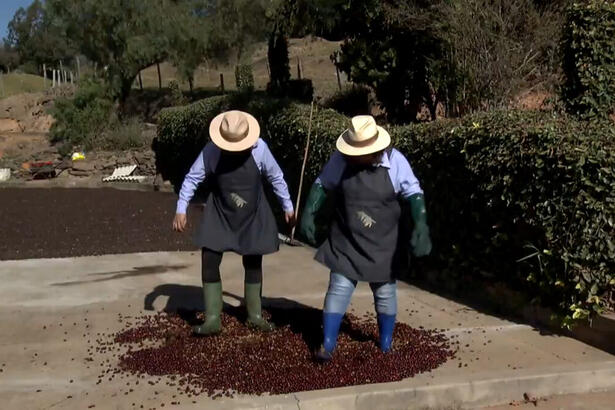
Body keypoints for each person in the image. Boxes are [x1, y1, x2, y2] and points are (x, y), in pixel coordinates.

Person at [300, 115, 432, 361]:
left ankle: (385, 342)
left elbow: (414, 193)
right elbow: (322, 184)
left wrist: (421, 224)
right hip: (346, 240)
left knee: (384, 292)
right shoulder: (340, 161)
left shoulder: (395, 162)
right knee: (338, 287)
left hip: (383, 244)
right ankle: (327, 343)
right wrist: (309, 212)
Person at [173, 110, 296, 335]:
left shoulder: (260, 150)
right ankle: (212, 319)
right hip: (220, 211)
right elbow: (193, 178)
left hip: (252, 213)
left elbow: (276, 177)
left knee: (252, 261)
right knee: (209, 257)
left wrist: (287, 206)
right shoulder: (212, 151)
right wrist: (181, 208)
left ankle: (254, 316)